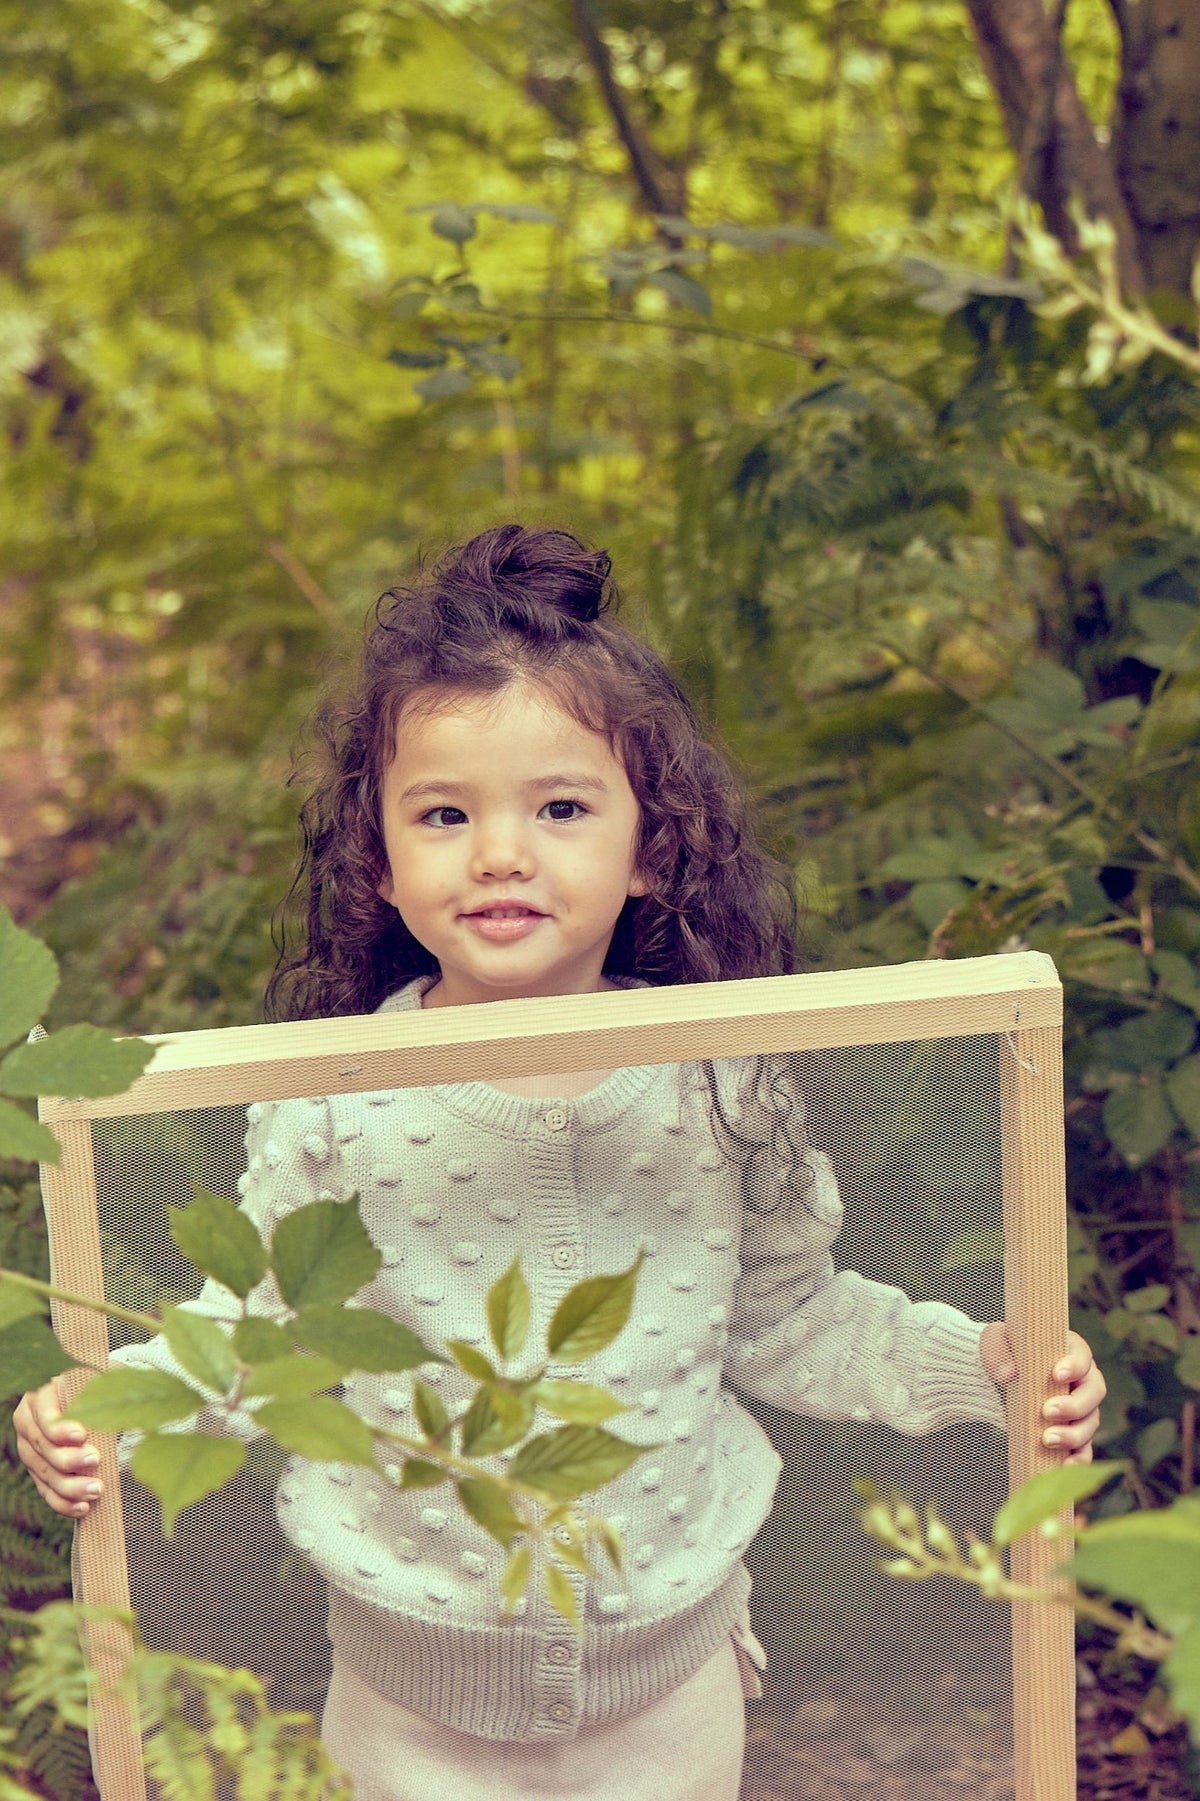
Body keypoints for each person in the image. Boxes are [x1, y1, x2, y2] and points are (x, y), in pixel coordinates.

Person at [15, 525, 1105, 1801]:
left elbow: (787, 1315)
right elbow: (257, 1337)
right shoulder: (328, 1100)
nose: (499, 854)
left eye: (562, 807)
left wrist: (980, 1362)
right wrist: (108, 1407)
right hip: (405, 1707)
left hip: (673, 1694)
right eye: (443, 813)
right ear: (376, 852)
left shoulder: (724, 1075)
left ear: (652, 844)